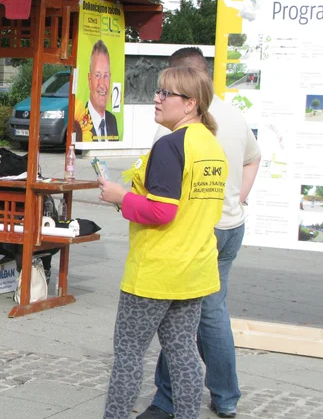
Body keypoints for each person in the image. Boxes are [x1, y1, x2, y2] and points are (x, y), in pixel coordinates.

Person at [98, 66, 228, 419]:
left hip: (155, 272)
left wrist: (120, 197)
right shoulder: (211, 145)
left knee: (127, 356)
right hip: (194, 270)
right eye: (158, 91)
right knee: (183, 353)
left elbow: (162, 212)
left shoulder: (172, 145)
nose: (156, 98)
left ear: (190, 104)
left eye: (165, 93)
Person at [138, 47, 261, 419]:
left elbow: (159, 187)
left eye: (165, 88)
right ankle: (223, 397)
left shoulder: (180, 123)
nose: (161, 96)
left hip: (198, 230)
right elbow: (254, 157)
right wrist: (237, 198)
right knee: (210, 311)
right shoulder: (233, 114)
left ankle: (171, 400)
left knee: (183, 314)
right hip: (230, 226)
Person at [74, 40, 119, 142]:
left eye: (106, 76)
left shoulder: (112, 120)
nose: (102, 84)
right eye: (97, 75)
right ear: (90, 80)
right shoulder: (78, 122)